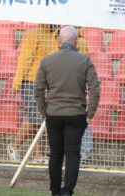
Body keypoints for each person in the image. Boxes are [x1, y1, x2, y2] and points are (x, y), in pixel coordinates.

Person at [35, 25, 100, 196]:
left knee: (56, 154)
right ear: (76, 41)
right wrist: (89, 114)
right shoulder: (84, 60)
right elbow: (95, 89)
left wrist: (44, 111)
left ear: (58, 41)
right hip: (76, 114)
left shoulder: (47, 60)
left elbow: (38, 89)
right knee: (72, 154)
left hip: (54, 114)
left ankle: (55, 191)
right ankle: (68, 191)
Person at [8, 24, 89, 163]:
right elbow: (24, 59)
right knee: (36, 119)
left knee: (40, 119)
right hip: (33, 82)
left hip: (51, 83)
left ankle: (36, 154)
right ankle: (22, 149)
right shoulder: (33, 34)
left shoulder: (59, 36)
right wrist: (17, 83)